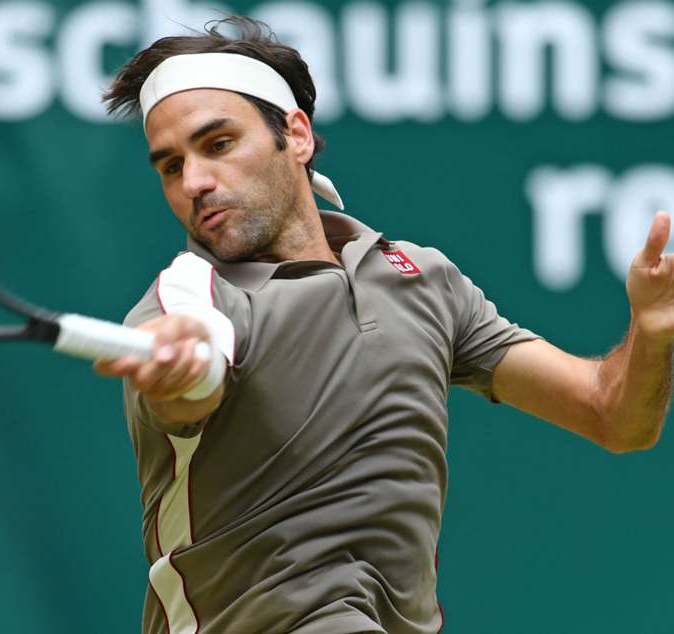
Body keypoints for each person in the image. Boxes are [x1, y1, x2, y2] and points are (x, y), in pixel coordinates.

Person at [96, 16, 670, 634]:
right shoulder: (191, 298)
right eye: (170, 166)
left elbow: (613, 416)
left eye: (218, 144)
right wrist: (183, 370)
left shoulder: (421, 278)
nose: (194, 182)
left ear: (296, 135)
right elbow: (192, 369)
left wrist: (654, 332)